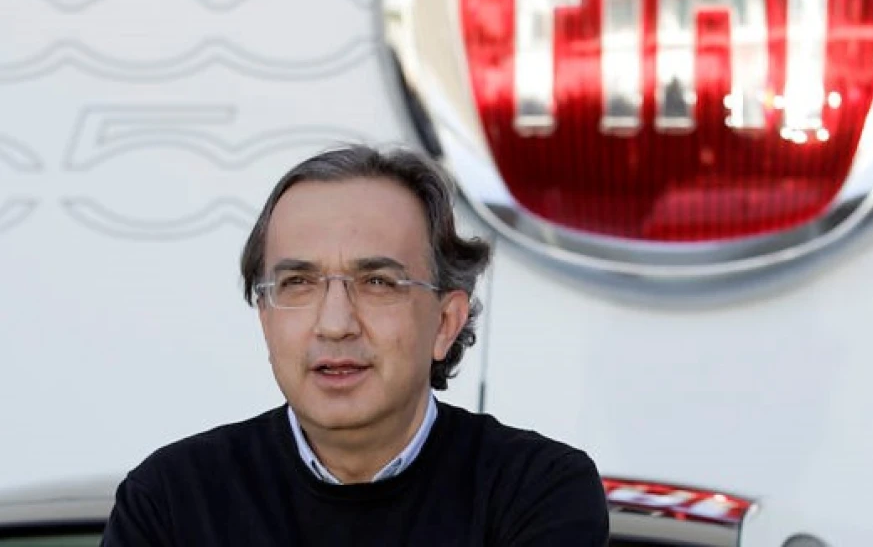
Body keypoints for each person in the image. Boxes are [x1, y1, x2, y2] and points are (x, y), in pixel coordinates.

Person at [101, 144, 609, 546]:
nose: (335, 324)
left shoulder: (536, 491)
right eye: (298, 283)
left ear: (445, 323)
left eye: (378, 283)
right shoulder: (171, 500)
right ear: (265, 318)